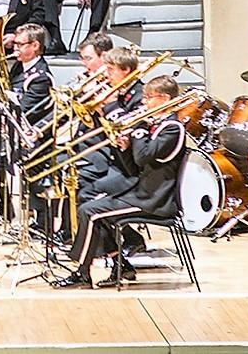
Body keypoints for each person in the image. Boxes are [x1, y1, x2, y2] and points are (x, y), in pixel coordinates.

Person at [52, 74, 183, 288]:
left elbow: (142, 155)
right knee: (91, 207)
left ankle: (83, 272)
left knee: (90, 212)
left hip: (156, 201)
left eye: (149, 97)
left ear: (165, 99)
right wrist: (122, 146)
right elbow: (136, 165)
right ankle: (120, 264)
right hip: (142, 192)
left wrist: (137, 129)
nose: (144, 102)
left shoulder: (172, 128)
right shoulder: (158, 125)